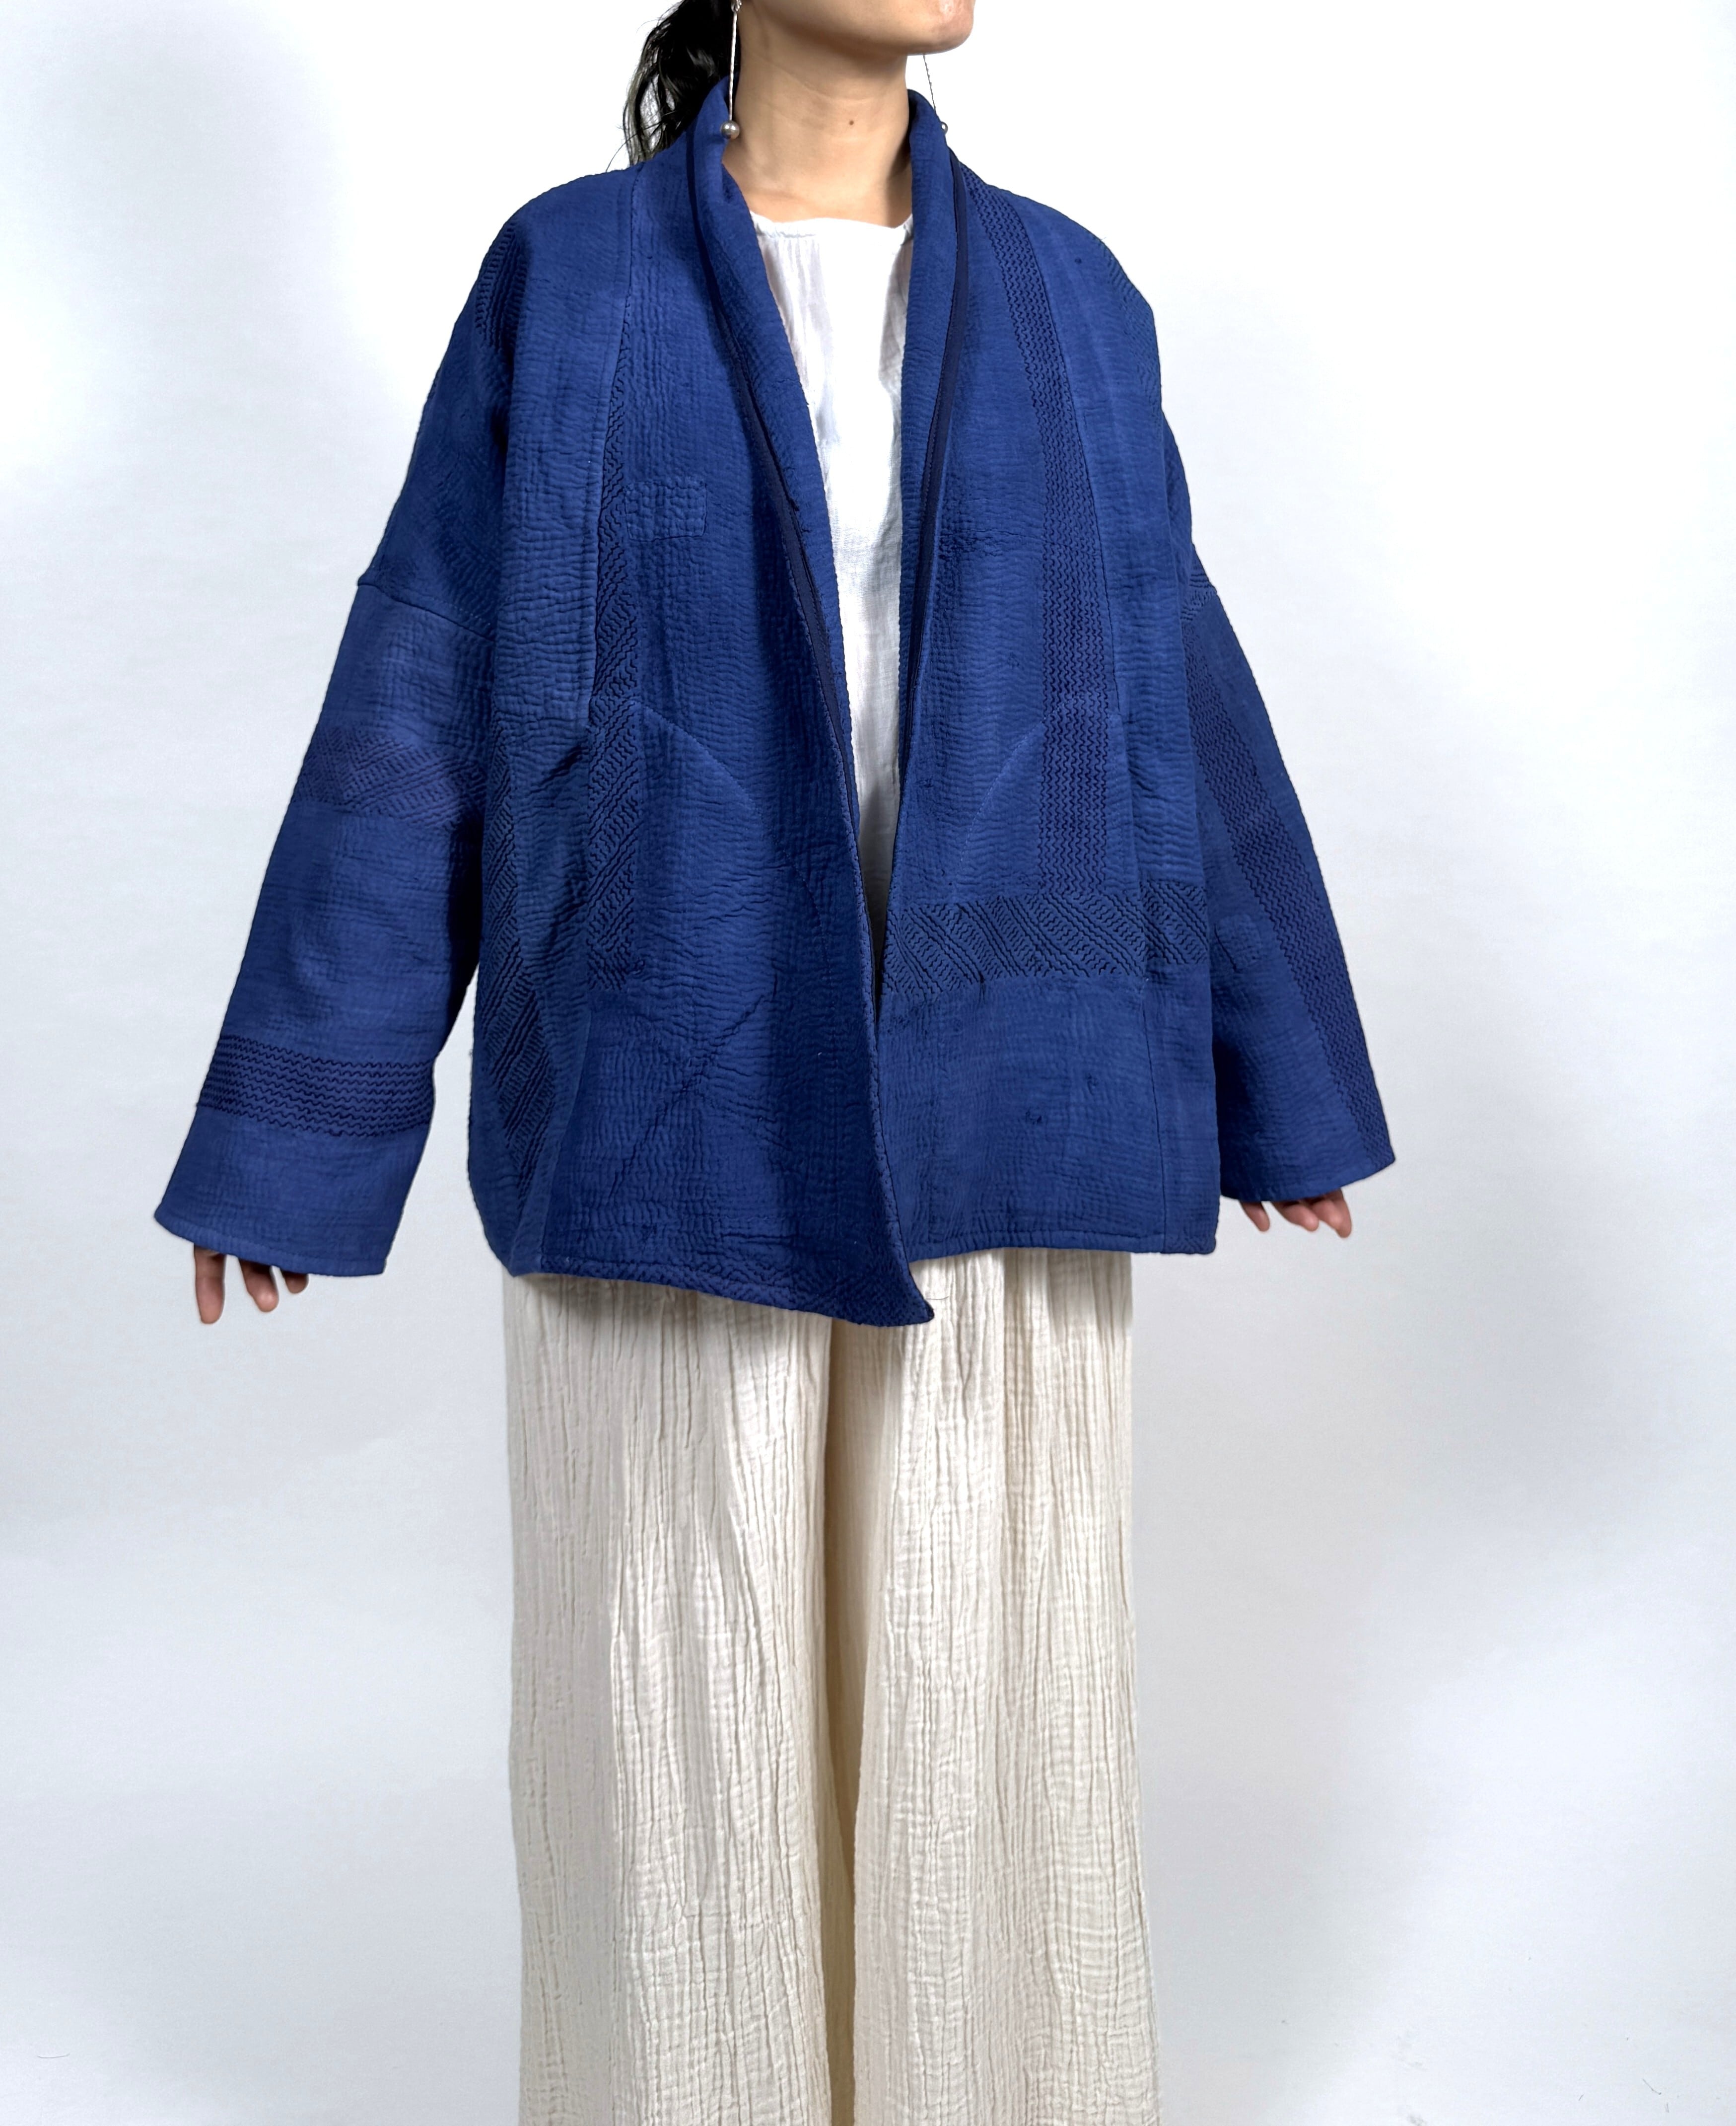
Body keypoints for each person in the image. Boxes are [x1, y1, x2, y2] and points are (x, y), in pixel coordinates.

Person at [156, 0, 1393, 2115]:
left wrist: (1273, 1072)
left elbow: (1169, 667)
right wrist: (300, 1128)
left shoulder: (1072, 291)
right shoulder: (570, 275)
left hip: (1004, 1087)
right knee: (680, 1710)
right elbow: (422, 682)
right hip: (671, 1087)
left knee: (978, 1690)